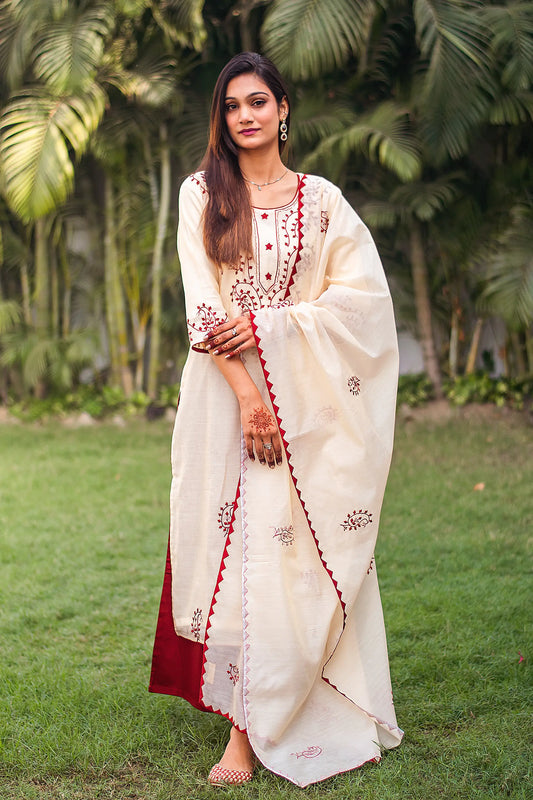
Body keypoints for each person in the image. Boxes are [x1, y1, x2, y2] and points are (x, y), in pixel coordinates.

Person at [149, 51, 403, 788]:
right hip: (224, 396)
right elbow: (203, 306)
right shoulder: (202, 194)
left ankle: (293, 695)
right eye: (232, 106)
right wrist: (248, 395)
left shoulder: (321, 201)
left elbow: (361, 300)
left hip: (306, 395)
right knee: (242, 553)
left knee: (294, 552)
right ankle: (243, 729)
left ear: (283, 108)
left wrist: (273, 328)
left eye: (257, 101)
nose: (245, 116)